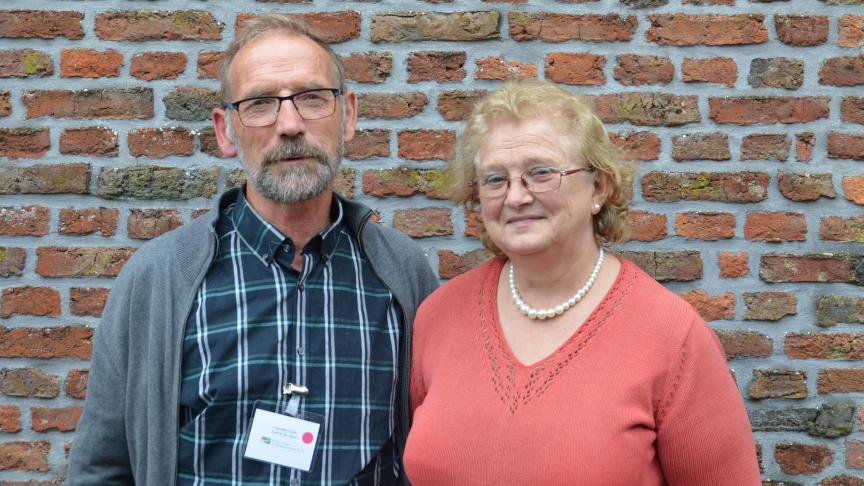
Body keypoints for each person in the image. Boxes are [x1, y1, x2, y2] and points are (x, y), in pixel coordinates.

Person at [68, 15, 438, 486]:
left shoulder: (402, 273)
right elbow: (102, 468)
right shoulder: (159, 280)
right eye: (261, 103)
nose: (290, 124)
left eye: (311, 98)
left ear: (348, 115)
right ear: (226, 131)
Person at [403, 80, 760, 485]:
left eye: (540, 173)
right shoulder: (439, 317)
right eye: (495, 180)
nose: (516, 196)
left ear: (599, 187)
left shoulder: (669, 334)